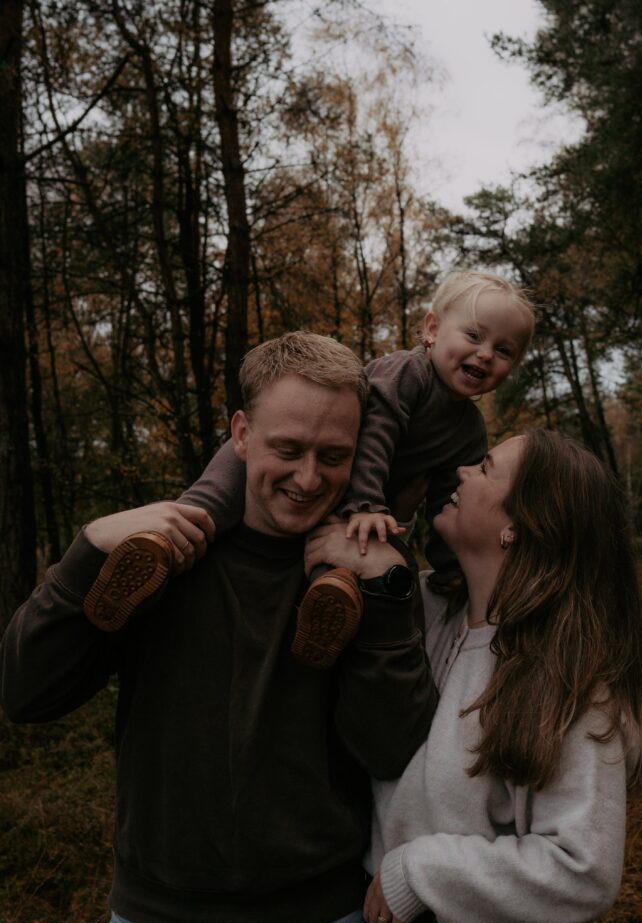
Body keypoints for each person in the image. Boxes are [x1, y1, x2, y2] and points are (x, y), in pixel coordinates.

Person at [0, 332, 438, 923]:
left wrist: (386, 598)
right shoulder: (161, 557)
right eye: (288, 449)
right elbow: (25, 693)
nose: (308, 479)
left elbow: (391, 749)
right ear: (240, 434)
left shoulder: (361, 572)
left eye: (333, 457)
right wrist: (86, 552)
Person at [316, 428, 642, 923]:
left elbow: (583, 872)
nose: (462, 473)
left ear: (519, 526)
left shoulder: (570, 679)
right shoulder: (428, 616)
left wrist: (419, 870)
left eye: (484, 468)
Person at [83, 271, 535, 670]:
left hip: (349, 500)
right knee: (213, 499)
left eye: (503, 350)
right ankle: (161, 548)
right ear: (432, 329)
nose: (485, 354)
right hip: (342, 482)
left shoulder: (469, 431)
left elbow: (447, 501)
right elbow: (375, 435)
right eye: (473, 335)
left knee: (348, 557)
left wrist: (450, 568)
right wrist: (367, 504)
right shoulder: (406, 373)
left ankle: (328, 605)